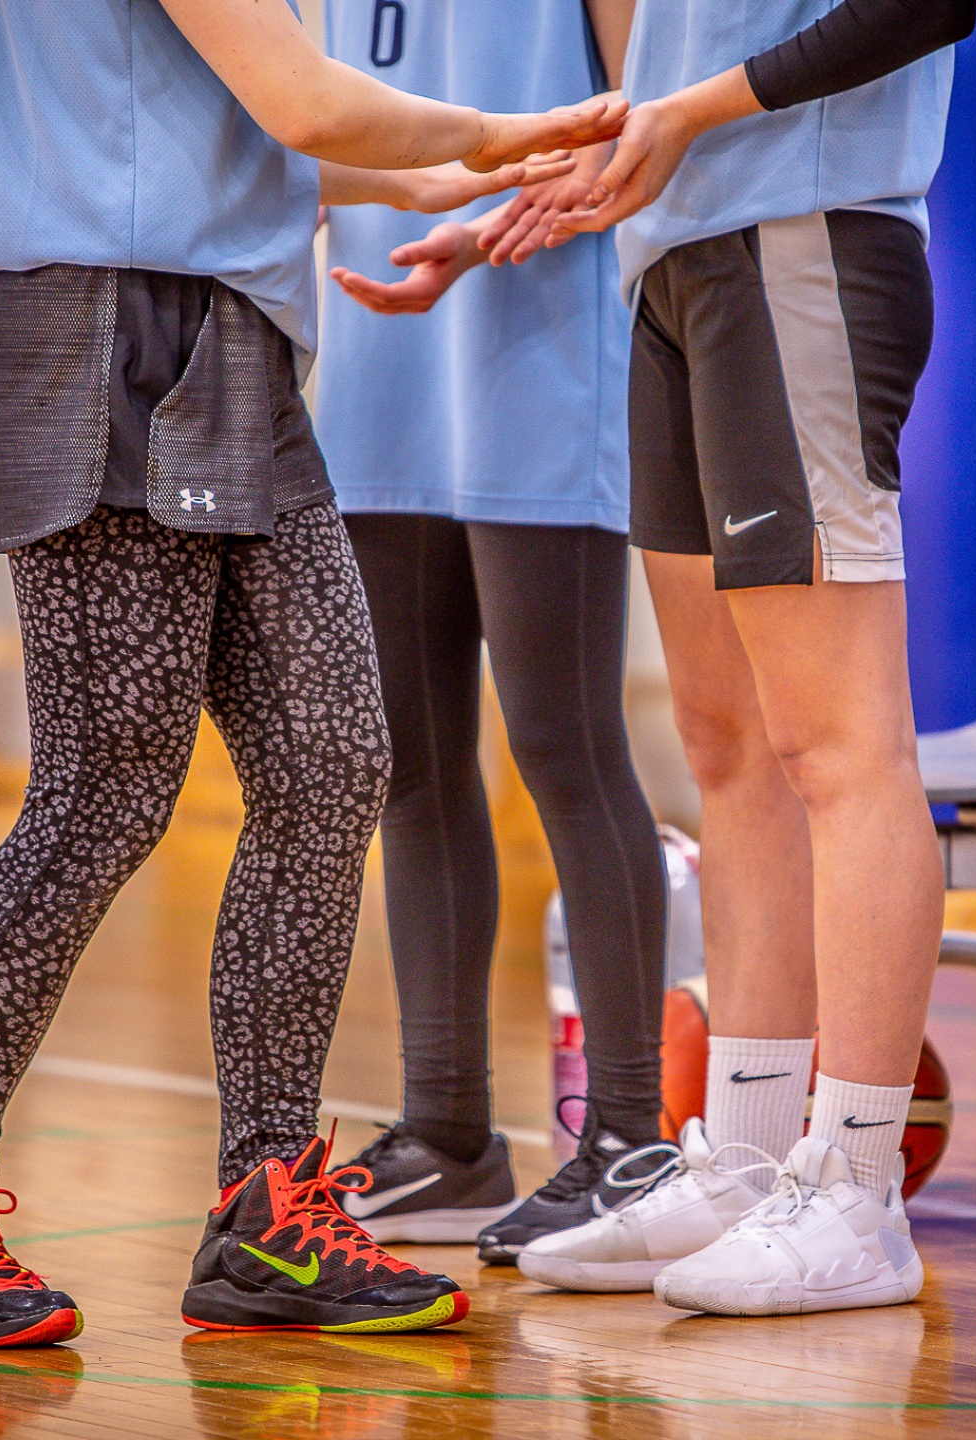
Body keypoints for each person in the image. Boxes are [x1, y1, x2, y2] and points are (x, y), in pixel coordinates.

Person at [0, 0, 622, 1346]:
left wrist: (438, 174)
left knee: (332, 766)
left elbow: (227, 133)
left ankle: (265, 1209)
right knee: (103, 798)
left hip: (227, 339)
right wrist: (495, 131)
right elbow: (305, 103)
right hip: (103, 329)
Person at [491, 0, 976, 1316]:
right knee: (726, 744)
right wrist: (622, 133)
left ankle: (857, 1190)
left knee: (838, 745)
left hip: (802, 228)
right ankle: (751, 1164)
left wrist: (687, 111)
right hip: (671, 257)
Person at [310, 0, 679, 1265]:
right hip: (379, 355)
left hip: (542, 329)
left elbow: (644, 122)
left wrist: (501, 222)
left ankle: (629, 1137)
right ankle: (447, 1133)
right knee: (406, 764)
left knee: (565, 747)